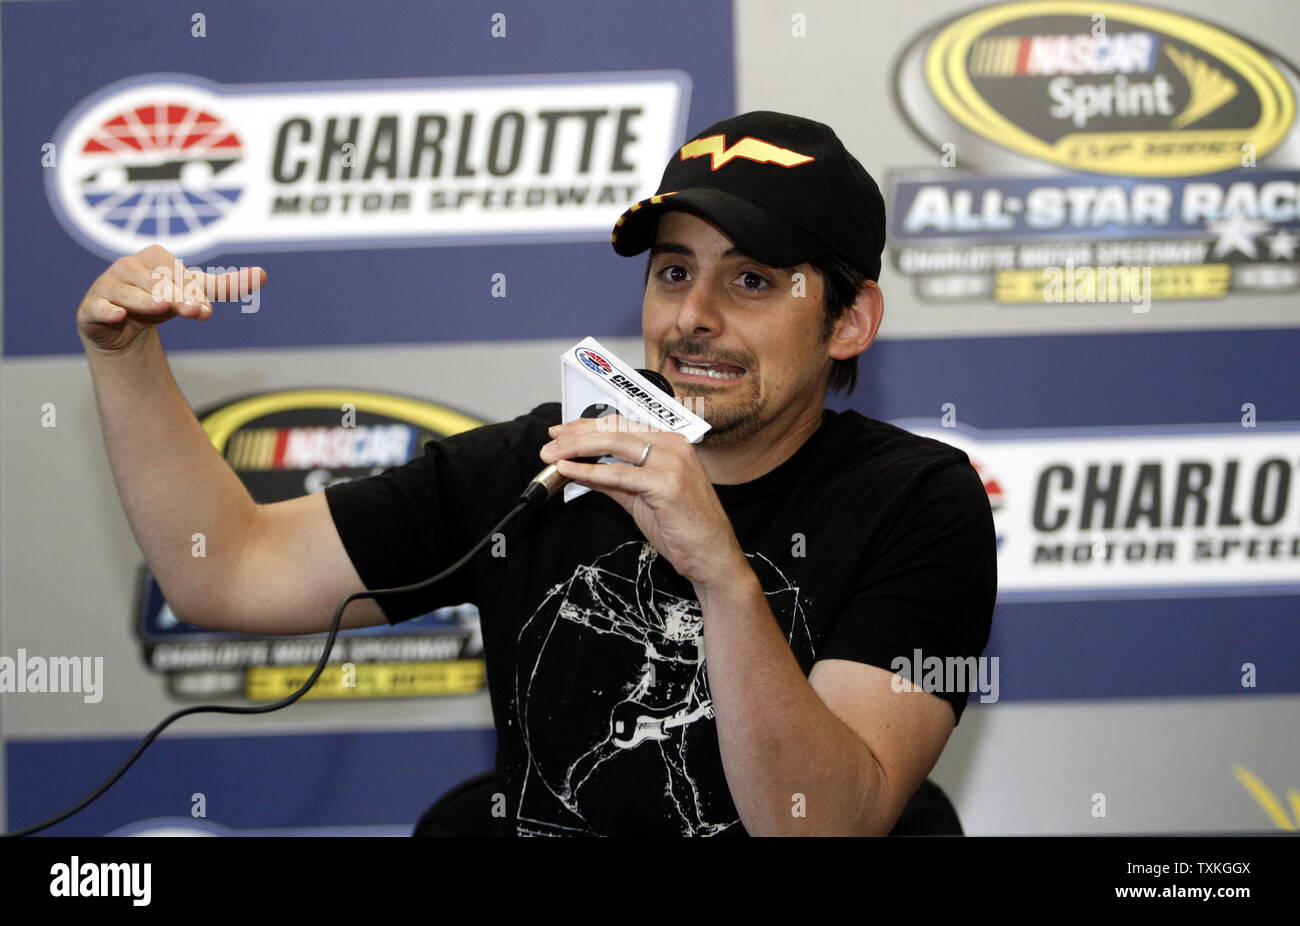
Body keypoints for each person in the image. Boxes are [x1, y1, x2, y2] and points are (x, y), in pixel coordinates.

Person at [76, 111, 996, 837]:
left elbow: (822, 825)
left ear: (849, 320)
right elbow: (224, 570)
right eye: (674, 273)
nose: (694, 317)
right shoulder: (549, 463)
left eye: (751, 281)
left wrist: (719, 570)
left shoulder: (919, 502)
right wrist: (125, 357)